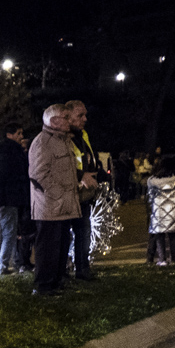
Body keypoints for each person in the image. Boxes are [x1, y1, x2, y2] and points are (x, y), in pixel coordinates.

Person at [28, 104, 80, 297]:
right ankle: (44, 286)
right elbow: (38, 173)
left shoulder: (64, 141)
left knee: (61, 245)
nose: (69, 121)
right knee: (48, 247)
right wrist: (57, 193)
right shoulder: (43, 142)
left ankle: (56, 282)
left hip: (63, 205)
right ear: (54, 121)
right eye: (66, 117)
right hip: (49, 207)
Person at [64, 100, 104, 281]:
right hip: (67, 193)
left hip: (82, 194)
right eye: (80, 115)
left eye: (85, 115)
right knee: (65, 235)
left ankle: (82, 268)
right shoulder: (63, 137)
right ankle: (64, 270)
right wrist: (81, 175)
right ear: (68, 115)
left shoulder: (82, 135)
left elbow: (87, 158)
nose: (84, 119)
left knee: (83, 232)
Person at [0, 122, 29, 276]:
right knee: (9, 234)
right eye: (18, 133)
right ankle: (2, 267)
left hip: (0, 200)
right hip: (9, 200)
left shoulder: (0, 152)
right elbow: (13, 177)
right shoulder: (11, 153)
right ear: (9, 135)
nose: (21, 137)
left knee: (0, 234)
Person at [145, 157, 175, 266]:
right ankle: (173, 259)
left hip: (158, 211)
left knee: (159, 236)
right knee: (174, 235)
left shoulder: (153, 181)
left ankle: (162, 259)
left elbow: (150, 198)